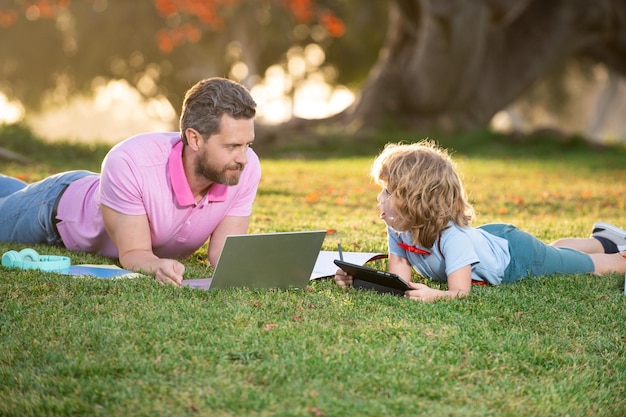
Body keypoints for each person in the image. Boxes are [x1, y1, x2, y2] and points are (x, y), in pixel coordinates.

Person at [0, 77, 260, 286]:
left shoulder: (243, 169)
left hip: (101, 191)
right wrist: (157, 265)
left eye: (247, 145)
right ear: (194, 139)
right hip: (53, 211)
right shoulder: (129, 161)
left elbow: (224, 256)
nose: (243, 158)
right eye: (232, 146)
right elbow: (134, 254)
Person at [334, 140, 626, 302]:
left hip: (518, 256)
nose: (379, 199)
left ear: (415, 200)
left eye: (388, 191)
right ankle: (604, 241)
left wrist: (434, 296)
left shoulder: (451, 237)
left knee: (586, 266)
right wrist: (360, 280)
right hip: (491, 239)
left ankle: (617, 255)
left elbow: (460, 292)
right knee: (558, 250)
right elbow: (400, 275)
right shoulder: (399, 226)